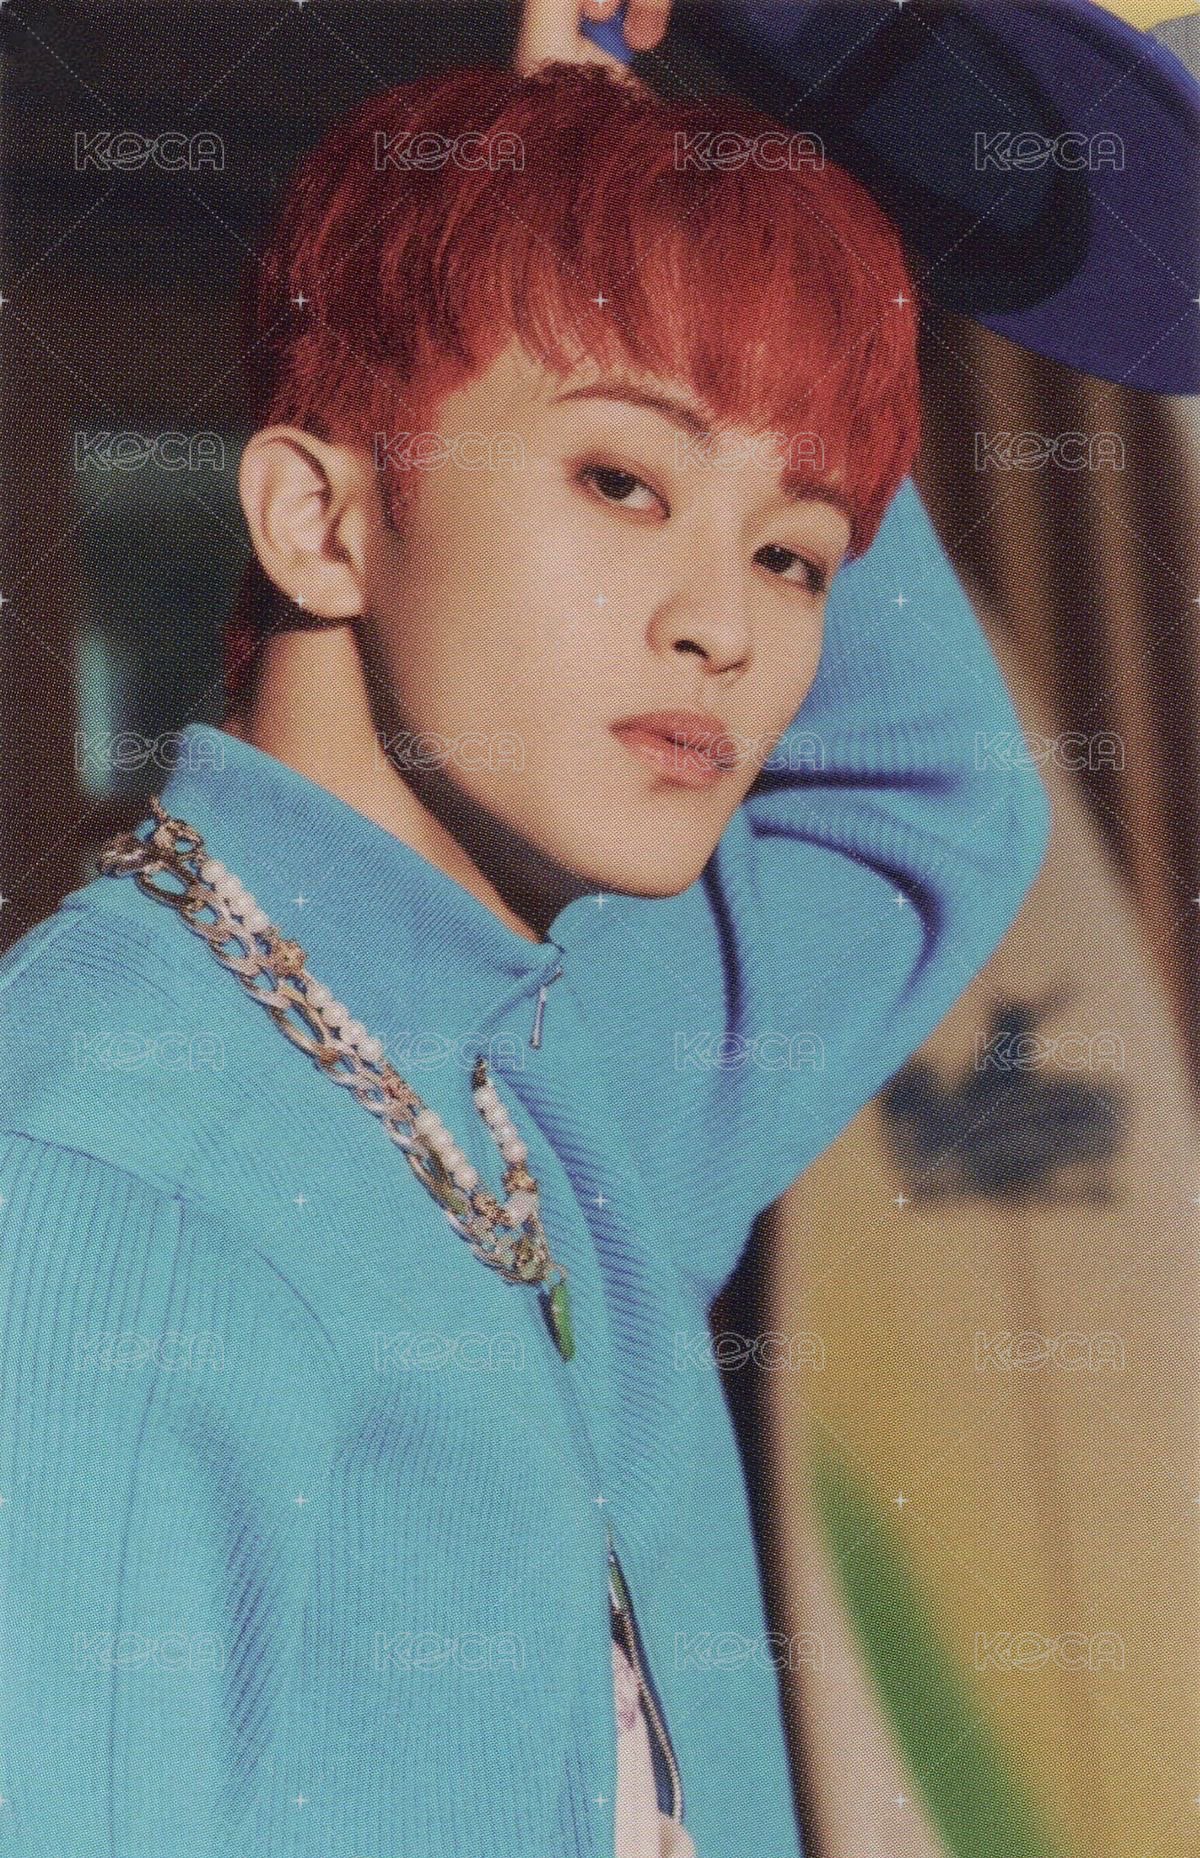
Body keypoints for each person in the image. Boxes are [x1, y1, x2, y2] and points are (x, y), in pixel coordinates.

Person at [0, 8, 1051, 1856]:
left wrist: (684, 262)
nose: (726, 624)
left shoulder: (557, 1090)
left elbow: (923, 800)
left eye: (793, 552)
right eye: (622, 479)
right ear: (319, 520)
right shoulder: (102, 1177)